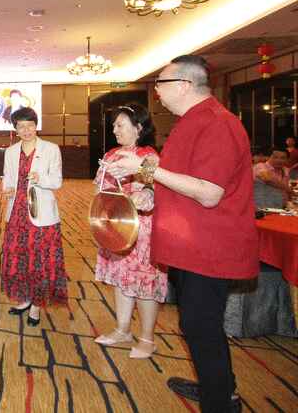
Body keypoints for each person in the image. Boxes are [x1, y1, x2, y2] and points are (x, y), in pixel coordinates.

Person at [107, 55, 256, 412]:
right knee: (197, 324)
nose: (156, 91)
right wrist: (151, 191)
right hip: (189, 244)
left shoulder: (217, 124)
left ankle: (220, 402)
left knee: (200, 324)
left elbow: (209, 192)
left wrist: (146, 170)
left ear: (185, 85)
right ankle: (218, 386)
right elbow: (180, 178)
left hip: (209, 247)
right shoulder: (191, 123)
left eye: (161, 83)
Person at [93, 104, 166, 359]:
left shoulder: (148, 155)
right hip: (115, 224)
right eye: (114, 125)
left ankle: (147, 339)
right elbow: (100, 187)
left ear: (139, 128)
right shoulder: (112, 154)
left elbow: (155, 186)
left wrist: (143, 192)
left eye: (120, 125)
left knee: (144, 281)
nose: (114, 130)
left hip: (141, 227)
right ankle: (122, 329)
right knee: (121, 278)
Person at [0, 107, 66, 325]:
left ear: (36, 126)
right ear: (15, 129)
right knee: (20, 257)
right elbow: (8, 178)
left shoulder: (51, 149)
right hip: (17, 212)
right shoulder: (11, 151)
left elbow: (57, 181)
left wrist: (40, 178)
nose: (26, 130)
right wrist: (7, 189)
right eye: (21, 126)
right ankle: (25, 298)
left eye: (30, 125)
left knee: (40, 260)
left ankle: (36, 305)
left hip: (42, 213)